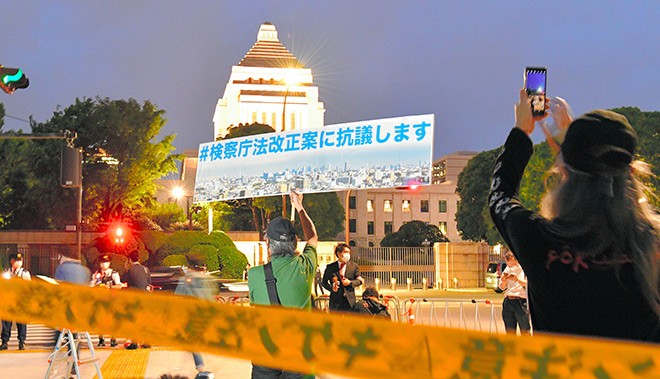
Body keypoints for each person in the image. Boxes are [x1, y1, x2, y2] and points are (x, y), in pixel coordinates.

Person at [489, 89, 660, 342]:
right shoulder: (652, 242)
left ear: (563, 173)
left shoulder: (540, 240)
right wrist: (576, 146)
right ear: (632, 173)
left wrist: (522, 131)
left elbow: (499, 196)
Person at [248, 190, 318, 379]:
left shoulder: (255, 275)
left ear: (267, 242)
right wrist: (300, 207)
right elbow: (312, 238)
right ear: (295, 242)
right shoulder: (306, 265)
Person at [174, 254, 217, 378]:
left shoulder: (185, 281)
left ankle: (201, 368)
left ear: (190, 267)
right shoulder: (207, 280)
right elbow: (211, 297)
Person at [90, 254, 124, 347]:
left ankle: (113, 339)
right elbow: (91, 286)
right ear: (100, 263)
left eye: (106, 262)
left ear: (109, 263)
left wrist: (109, 287)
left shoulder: (114, 273)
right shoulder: (96, 274)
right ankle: (101, 339)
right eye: (102, 262)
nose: (104, 264)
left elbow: (119, 286)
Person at [1, 253, 31, 350]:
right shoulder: (7, 272)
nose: (18, 262)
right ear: (12, 262)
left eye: (20, 261)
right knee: (6, 323)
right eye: (16, 261)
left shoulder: (24, 273)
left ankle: (22, 342)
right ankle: (5, 342)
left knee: (21, 323)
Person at [123, 250, 153, 349]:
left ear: (130, 259)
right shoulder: (146, 269)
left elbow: (126, 283)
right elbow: (149, 282)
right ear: (139, 259)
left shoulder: (130, 270)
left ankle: (134, 342)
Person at [321, 243, 363, 312]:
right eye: (346, 252)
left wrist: (350, 282)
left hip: (350, 301)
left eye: (349, 252)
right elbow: (324, 282)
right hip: (336, 302)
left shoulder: (354, 266)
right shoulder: (331, 267)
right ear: (338, 254)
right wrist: (332, 288)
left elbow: (359, 281)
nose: (348, 254)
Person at [498, 252, 531, 335]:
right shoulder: (507, 269)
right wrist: (504, 280)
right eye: (508, 265)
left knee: (524, 330)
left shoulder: (523, 269)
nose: (510, 267)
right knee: (510, 331)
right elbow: (502, 287)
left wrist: (517, 280)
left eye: (511, 264)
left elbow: (528, 284)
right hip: (508, 300)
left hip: (520, 301)